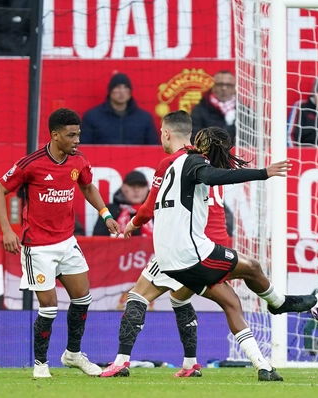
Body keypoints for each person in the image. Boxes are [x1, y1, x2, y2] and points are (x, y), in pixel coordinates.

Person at [152, 121, 315, 381]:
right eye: (225, 151)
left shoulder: (177, 163)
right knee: (252, 267)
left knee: (231, 302)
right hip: (191, 253)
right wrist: (264, 173)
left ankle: (263, 367)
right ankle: (278, 303)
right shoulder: (195, 162)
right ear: (216, 149)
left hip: (168, 258)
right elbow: (210, 175)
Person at [99, 111, 232, 378]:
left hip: (178, 247)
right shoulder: (205, 161)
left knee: (137, 296)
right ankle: (190, 363)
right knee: (180, 299)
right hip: (206, 246)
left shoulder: (170, 163)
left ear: (166, 133)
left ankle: (121, 361)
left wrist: (133, 224)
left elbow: (150, 205)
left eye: (161, 131)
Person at [0, 108, 121, 378]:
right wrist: (7, 230)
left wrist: (105, 214)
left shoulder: (79, 161)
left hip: (67, 241)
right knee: (49, 307)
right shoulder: (32, 163)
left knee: (83, 299)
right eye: (71, 135)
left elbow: (87, 186)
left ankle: (73, 355)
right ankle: (41, 364)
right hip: (37, 246)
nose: (77, 140)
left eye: (79, 135)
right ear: (55, 135)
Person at [81, 73, 159, 145]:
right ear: (110, 91)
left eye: (126, 87)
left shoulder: (144, 118)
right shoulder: (92, 117)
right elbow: (84, 147)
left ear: (130, 92)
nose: (122, 92)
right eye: (118, 87)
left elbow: (153, 147)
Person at [92, 170, 151, 237]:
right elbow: (98, 239)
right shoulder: (110, 210)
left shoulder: (154, 210)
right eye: (132, 186)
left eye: (141, 186)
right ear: (123, 187)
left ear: (147, 188)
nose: (136, 190)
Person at [190, 71, 239, 144]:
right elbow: (195, 138)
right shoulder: (199, 110)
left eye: (228, 85)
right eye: (220, 84)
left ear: (234, 88)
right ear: (213, 87)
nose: (224, 88)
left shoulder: (244, 112)